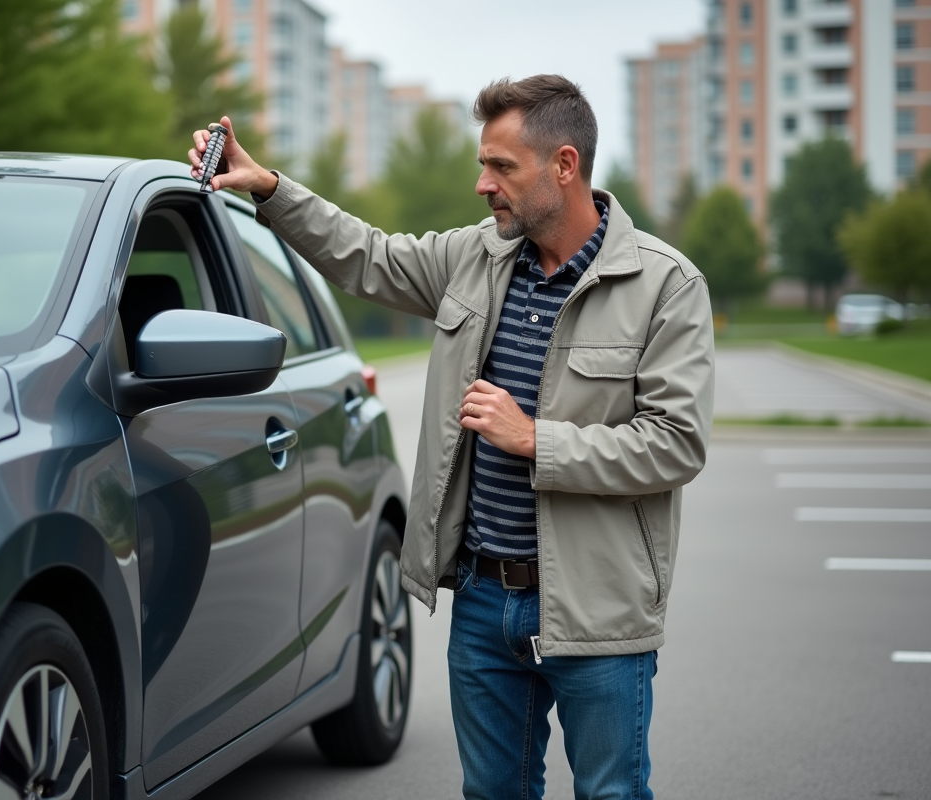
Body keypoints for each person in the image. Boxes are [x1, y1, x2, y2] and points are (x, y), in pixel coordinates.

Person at [188, 75, 714, 800]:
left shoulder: (665, 285)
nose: (482, 184)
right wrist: (271, 189)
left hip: (600, 613)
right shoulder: (475, 258)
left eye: (502, 167)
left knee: (611, 793)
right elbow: (364, 254)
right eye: (482, 163)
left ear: (564, 166)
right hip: (481, 601)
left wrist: (536, 439)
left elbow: (675, 444)